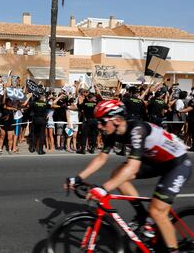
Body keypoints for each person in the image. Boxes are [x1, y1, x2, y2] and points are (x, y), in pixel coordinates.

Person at [66, 100, 192, 253]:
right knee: (117, 174)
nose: (99, 126)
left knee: (157, 211)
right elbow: (101, 158)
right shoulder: (113, 131)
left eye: (102, 122)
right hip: (156, 161)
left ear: (117, 120)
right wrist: (77, 178)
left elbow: (132, 168)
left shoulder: (137, 130)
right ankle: (141, 215)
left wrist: (103, 189)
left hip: (177, 164)